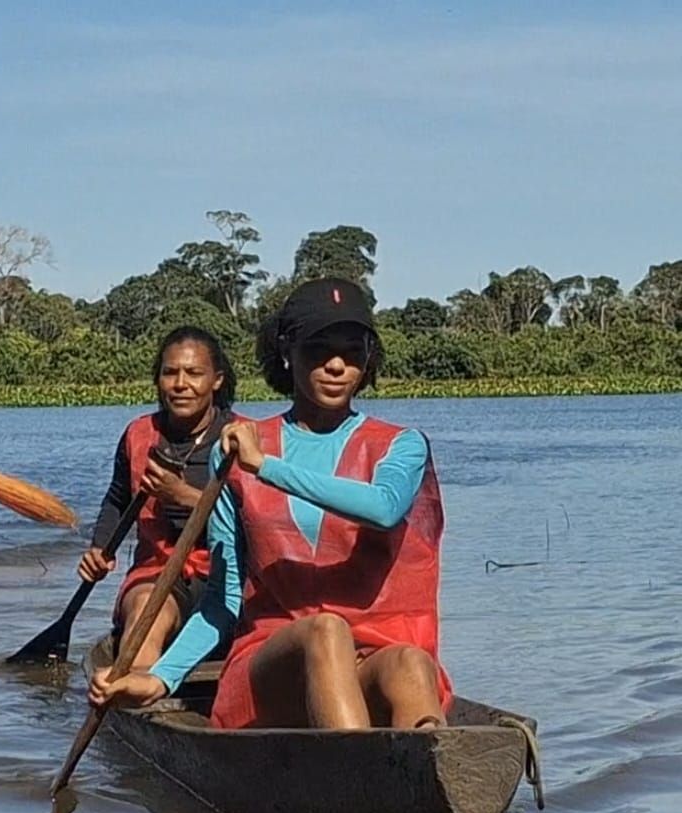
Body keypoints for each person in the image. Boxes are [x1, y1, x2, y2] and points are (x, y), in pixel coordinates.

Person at [91, 278, 450, 730]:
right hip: (274, 660)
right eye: (319, 349)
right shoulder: (235, 451)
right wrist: (161, 678)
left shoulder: (403, 445)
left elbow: (383, 507)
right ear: (287, 353)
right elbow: (223, 599)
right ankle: (359, 774)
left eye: (353, 351)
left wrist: (264, 466)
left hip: (372, 653)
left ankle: (429, 762)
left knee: (412, 665)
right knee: (326, 630)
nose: (337, 365)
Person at [79, 326, 237, 669]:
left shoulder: (240, 439)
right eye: (170, 373)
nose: (181, 384)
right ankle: (138, 693)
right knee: (146, 612)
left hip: (231, 578)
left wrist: (184, 497)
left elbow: (259, 520)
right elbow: (118, 498)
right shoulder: (139, 434)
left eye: (194, 373)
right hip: (158, 571)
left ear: (217, 380)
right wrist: (99, 548)